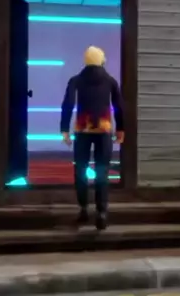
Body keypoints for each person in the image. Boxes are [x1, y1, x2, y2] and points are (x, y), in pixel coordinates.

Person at [60, 46, 124, 230]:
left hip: (82, 130)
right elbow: (119, 106)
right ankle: (101, 212)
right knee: (102, 172)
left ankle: (83, 209)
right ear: (102, 61)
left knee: (80, 170)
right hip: (104, 130)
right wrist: (121, 129)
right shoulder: (110, 80)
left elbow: (68, 104)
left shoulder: (76, 80)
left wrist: (64, 129)